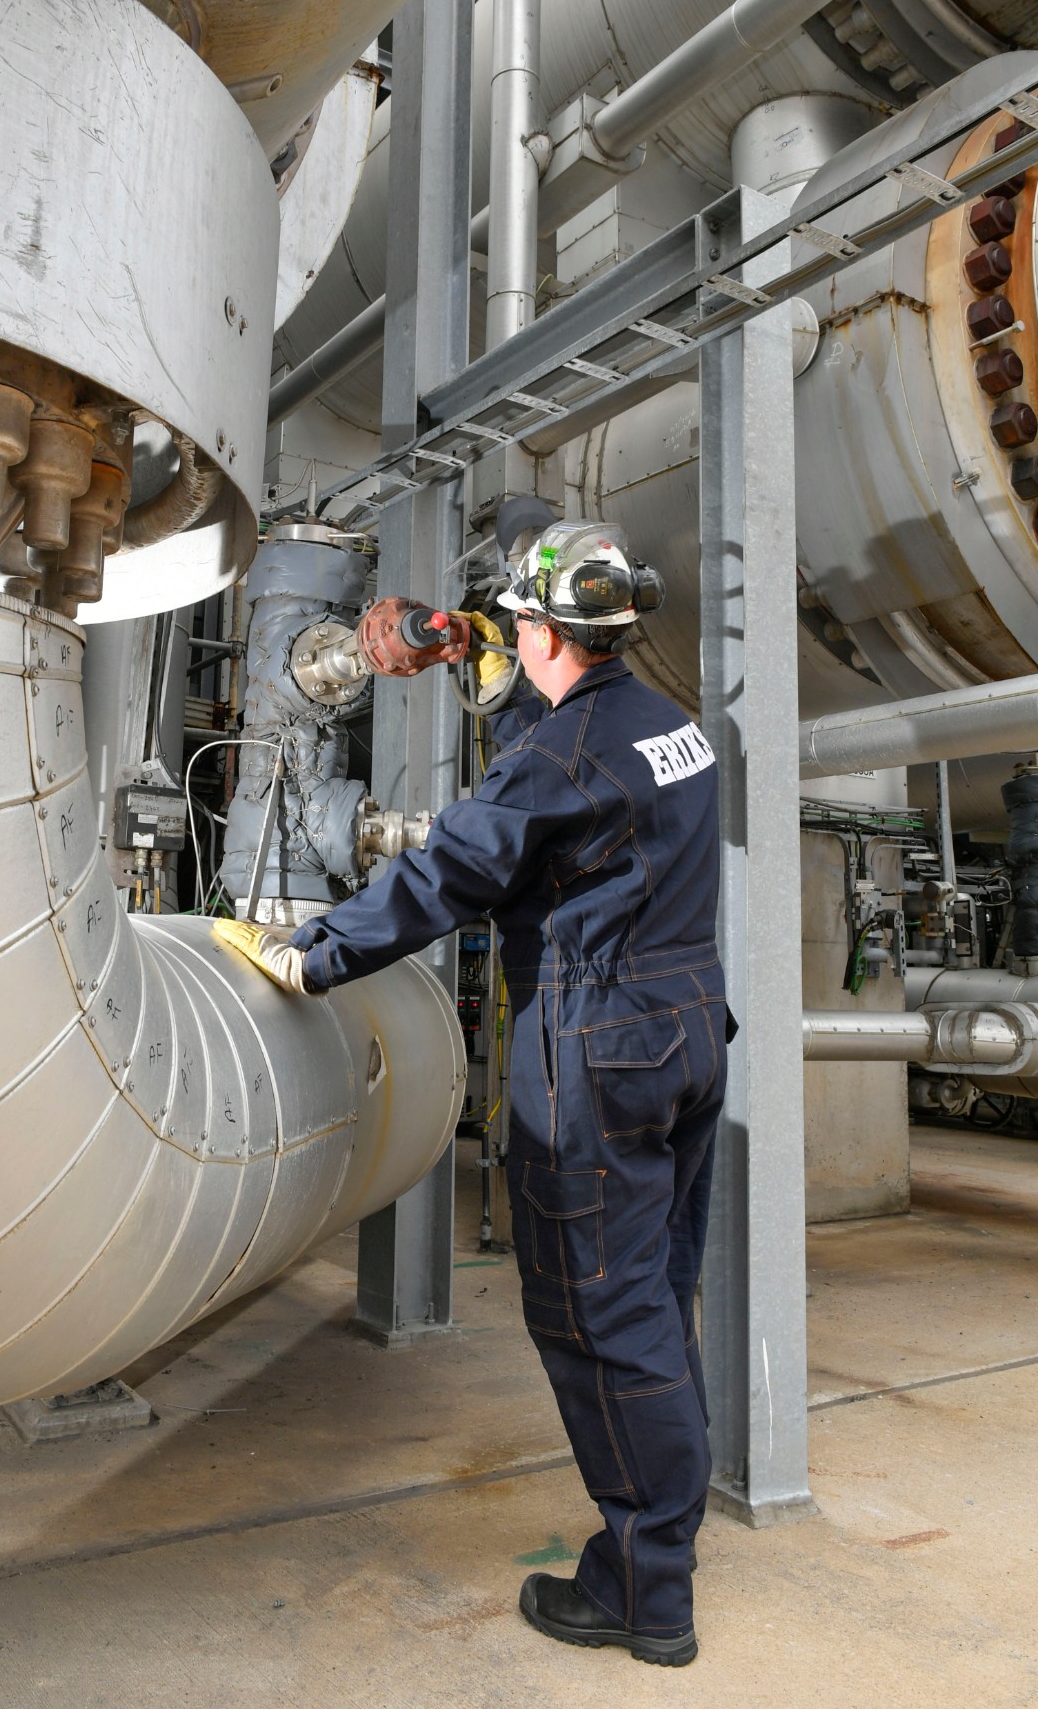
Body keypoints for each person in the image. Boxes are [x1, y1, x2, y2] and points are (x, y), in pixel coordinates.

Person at [215, 521, 728, 1669]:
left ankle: (645, 1591)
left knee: (596, 1313)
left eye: (515, 621)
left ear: (539, 629)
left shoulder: (555, 759)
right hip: (687, 1028)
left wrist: (314, 955)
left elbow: (454, 868)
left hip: (598, 1045)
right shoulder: (670, 726)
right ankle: (665, 1538)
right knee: (653, 1295)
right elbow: (572, 804)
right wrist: (488, 674)